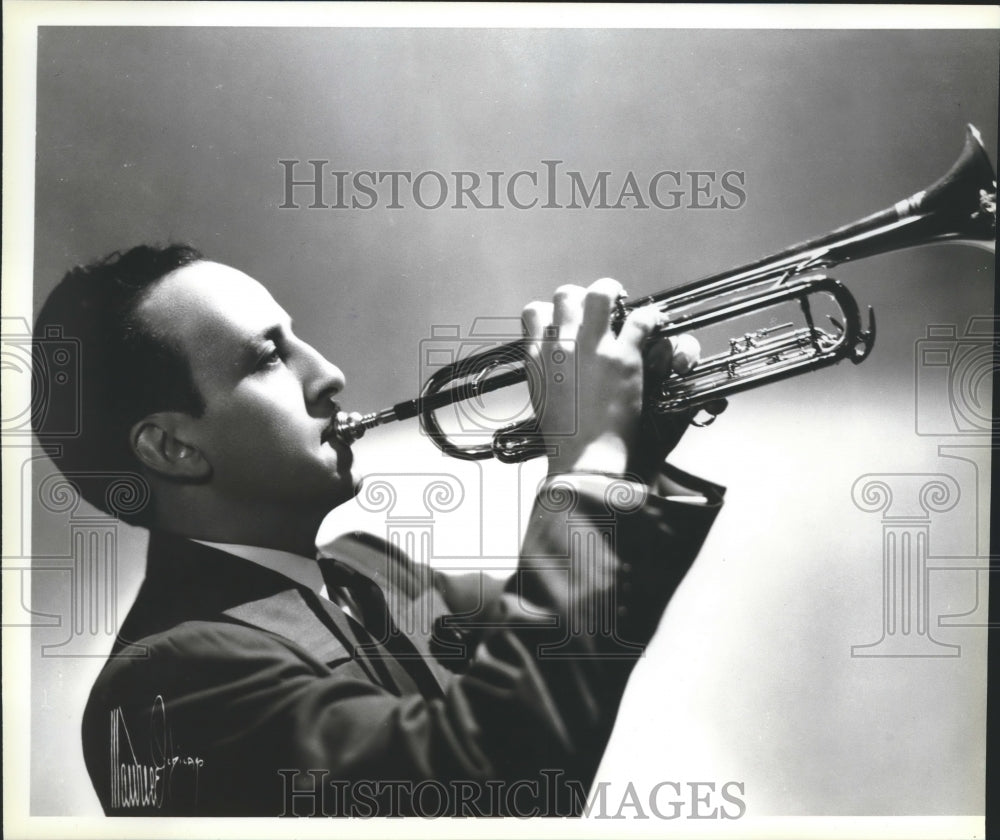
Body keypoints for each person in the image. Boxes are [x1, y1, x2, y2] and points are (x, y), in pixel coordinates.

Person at [32, 244, 725, 817]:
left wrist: (627, 461)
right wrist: (590, 466)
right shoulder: (165, 686)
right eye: (269, 356)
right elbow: (499, 775)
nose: (329, 373)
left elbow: (567, 657)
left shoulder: (370, 566)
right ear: (172, 449)